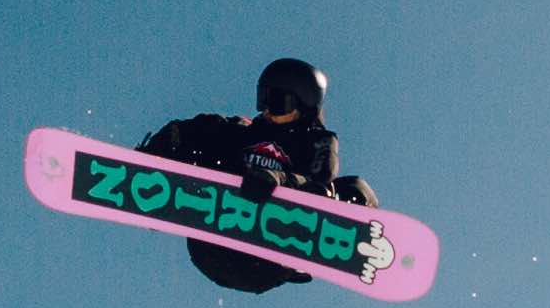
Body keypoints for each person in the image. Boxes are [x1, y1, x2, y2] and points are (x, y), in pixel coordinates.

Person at [136, 57, 378, 295]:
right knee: (207, 133)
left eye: (277, 102)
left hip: (266, 262)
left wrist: (280, 181)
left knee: (354, 189)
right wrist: (160, 151)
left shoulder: (316, 143)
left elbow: (319, 184)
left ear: (304, 106)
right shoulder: (243, 131)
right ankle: (153, 185)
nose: (267, 110)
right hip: (213, 247)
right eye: (263, 99)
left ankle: (359, 241)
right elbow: (192, 132)